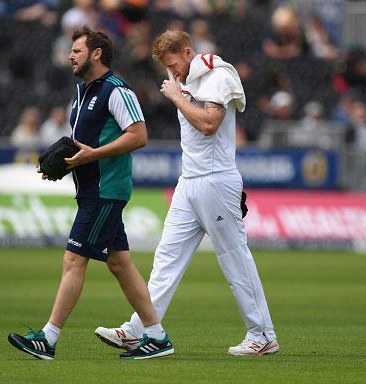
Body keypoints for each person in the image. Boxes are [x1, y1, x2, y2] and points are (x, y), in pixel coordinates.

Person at [95, 30, 279, 356]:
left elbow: (209, 124)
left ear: (188, 51)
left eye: (174, 63)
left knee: (234, 259)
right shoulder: (187, 80)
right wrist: (180, 90)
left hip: (216, 181)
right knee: (165, 259)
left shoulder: (218, 74)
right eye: (167, 67)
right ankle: (139, 329)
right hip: (189, 181)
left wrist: (177, 95)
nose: (173, 71)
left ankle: (262, 334)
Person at [8, 26, 173, 361]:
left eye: (77, 50)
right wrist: (67, 164)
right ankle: (156, 336)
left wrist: (92, 156)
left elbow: (139, 136)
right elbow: (83, 144)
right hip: (90, 189)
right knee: (119, 262)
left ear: (96, 54)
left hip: (105, 190)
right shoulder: (80, 92)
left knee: (73, 259)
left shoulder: (117, 90)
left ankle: (48, 338)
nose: (70, 55)